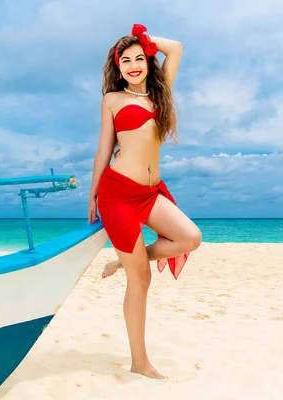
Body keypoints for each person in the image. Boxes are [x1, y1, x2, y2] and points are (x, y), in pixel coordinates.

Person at [87, 24, 202, 379]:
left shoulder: (159, 92)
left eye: (140, 58)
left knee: (189, 237)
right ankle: (140, 363)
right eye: (126, 60)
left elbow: (177, 46)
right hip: (118, 193)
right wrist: (92, 193)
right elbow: (104, 148)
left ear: (149, 62)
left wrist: (144, 40)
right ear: (117, 66)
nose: (134, 65)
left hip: (150, 193)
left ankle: (125, 261)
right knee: (141, 281)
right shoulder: (112, 100)